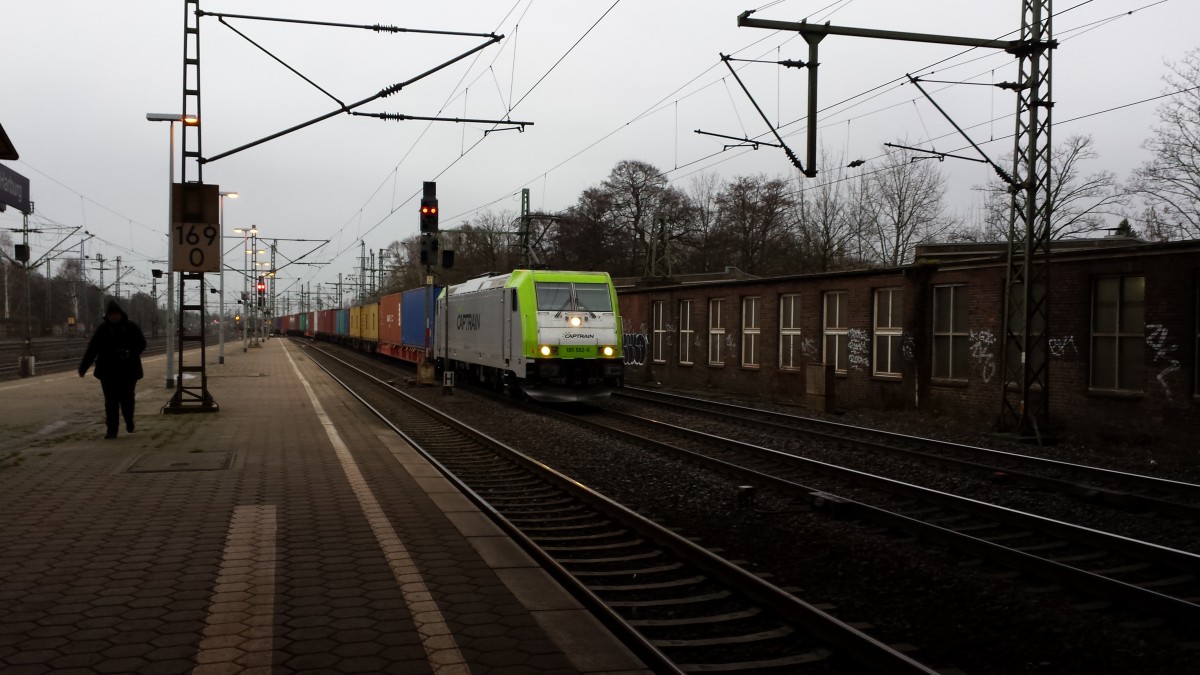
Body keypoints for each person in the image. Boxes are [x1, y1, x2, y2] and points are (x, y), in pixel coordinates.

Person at [79, 300, 147, 439]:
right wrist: (83, 367)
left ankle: (129, 420)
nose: (114, 317)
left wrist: (130, 352)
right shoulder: (102, 329)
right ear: (107, 316)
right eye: (111, 315)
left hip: (128, 371)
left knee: (127, 400)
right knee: (110, 402)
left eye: (116, 314)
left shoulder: (131, 327)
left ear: (121, 314)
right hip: (108, 372)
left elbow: (142, 343)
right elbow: (92, 349)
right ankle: (112, 430)